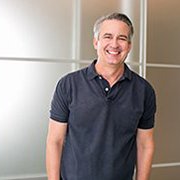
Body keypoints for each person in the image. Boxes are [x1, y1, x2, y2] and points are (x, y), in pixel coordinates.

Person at [46, 12, 156, 180]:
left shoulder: (144, 90)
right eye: (107, 36)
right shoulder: (68, 85)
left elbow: (145, 144)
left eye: (122, 38)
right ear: (96, 42)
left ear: (129, 45)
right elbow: (55, 141)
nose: (114, 44)